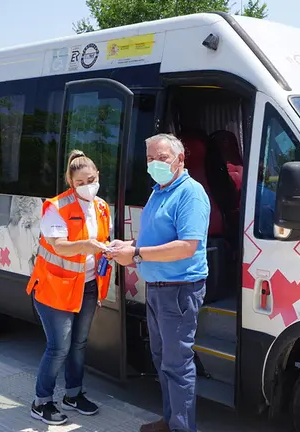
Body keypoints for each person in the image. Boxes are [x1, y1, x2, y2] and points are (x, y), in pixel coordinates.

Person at [109, 133, 210, 432]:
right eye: (150, 158)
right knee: (162, 360)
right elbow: (152, 238)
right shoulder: (159, 191)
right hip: (156, 288)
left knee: (177, 366)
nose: (154, 163)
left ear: (180, 159)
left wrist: (136, 254)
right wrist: (126, 245)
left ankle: (181, 428)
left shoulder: (190, 193)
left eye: (162, 158)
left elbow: (186, 246)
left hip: (179, 290)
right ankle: (170, 420)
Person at [26, 149, 114, 426]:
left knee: (78, 344)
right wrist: (85, 246)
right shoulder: (56, 207)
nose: (88, 185)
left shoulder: (101, 207)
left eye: (91, 179)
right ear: (70, 182)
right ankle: (41, 402)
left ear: (98, 175)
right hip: (54, 289)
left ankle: (73, 395)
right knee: (58, 348)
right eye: (80, 182)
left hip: (87, 287)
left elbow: (102, 242)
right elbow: (58, 245)